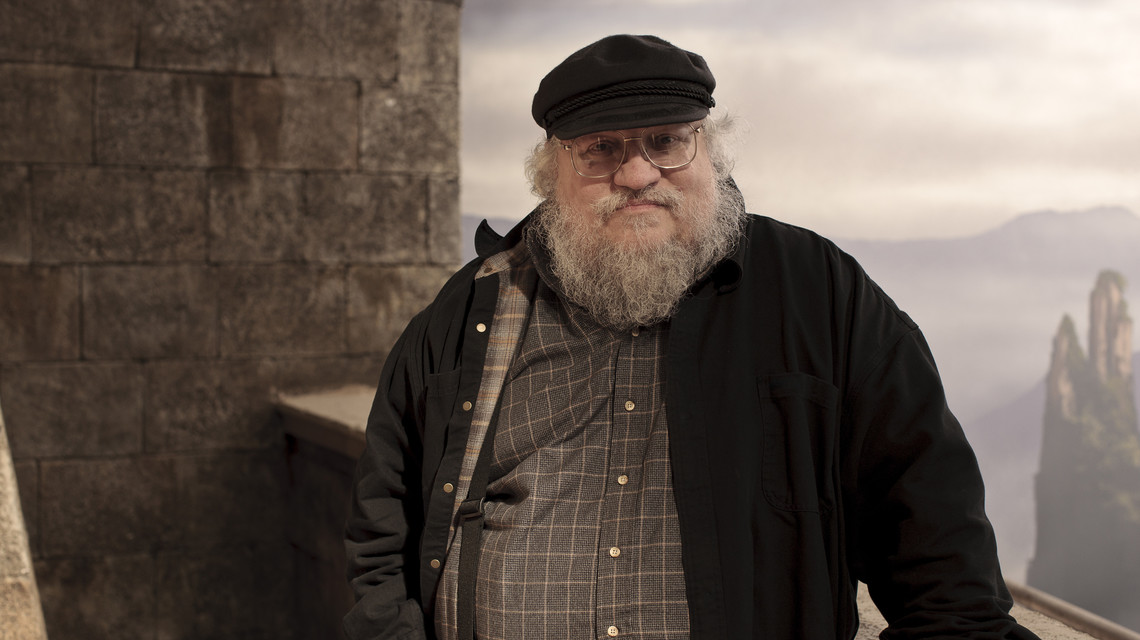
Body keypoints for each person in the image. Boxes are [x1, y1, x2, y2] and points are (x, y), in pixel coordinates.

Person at [344, 34, 1039, 640]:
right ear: (552, 174)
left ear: (712, 151)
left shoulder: (820, 295)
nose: (637, 173)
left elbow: (939, 550)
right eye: (601, 150)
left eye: (667, 141)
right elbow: (382, 531)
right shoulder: (470, 311)